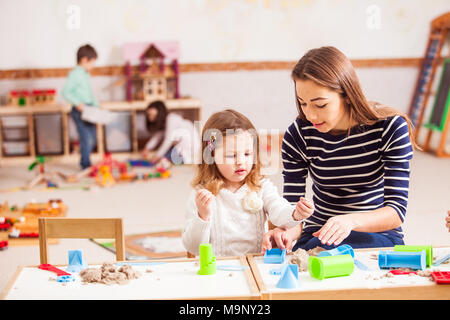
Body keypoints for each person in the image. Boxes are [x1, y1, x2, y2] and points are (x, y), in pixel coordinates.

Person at [262, 46, 418, 252]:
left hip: (377, 235)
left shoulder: (389, 128)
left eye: (320, 105)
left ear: (346, 94)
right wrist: (284, 233)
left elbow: (396, 211)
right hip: (319, 234)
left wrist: (349, 222)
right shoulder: (298, 135)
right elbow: (293, 211)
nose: (310, 115)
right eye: (303, 103)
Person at [182, 109, 313, 256]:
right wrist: (202, 216)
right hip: (217, 270)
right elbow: (192, 247)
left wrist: (295, 213)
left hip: (254, 265)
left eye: (247, 154)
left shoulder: (261, 186)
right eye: (231, 155)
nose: (241, 162)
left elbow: (279, 211)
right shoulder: (201, 194)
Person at [62, 44, 98, 169]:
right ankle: (85, 164)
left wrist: (96, 105)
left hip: (89, 109)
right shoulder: (75, 74)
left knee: (92, 137)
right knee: (86, 137)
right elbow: (66, 92)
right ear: (84, 60)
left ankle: (86, 160)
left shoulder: (85, 73)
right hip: (79, 110)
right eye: (92, 62)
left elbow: (88, 93)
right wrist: (78, 103)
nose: (93, 65)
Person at [142, 100, 200, 165]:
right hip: (181, 147)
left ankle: (181, 160)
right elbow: (157, 137)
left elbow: (168, 141)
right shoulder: (165, 122)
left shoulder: (171, 119)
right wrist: (147, 148)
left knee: (164, 159)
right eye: (149, 115)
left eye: (151, 115)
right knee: (165, 156)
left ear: (159, 112)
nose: (150, 117)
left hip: (188, 148)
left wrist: (157, 156)